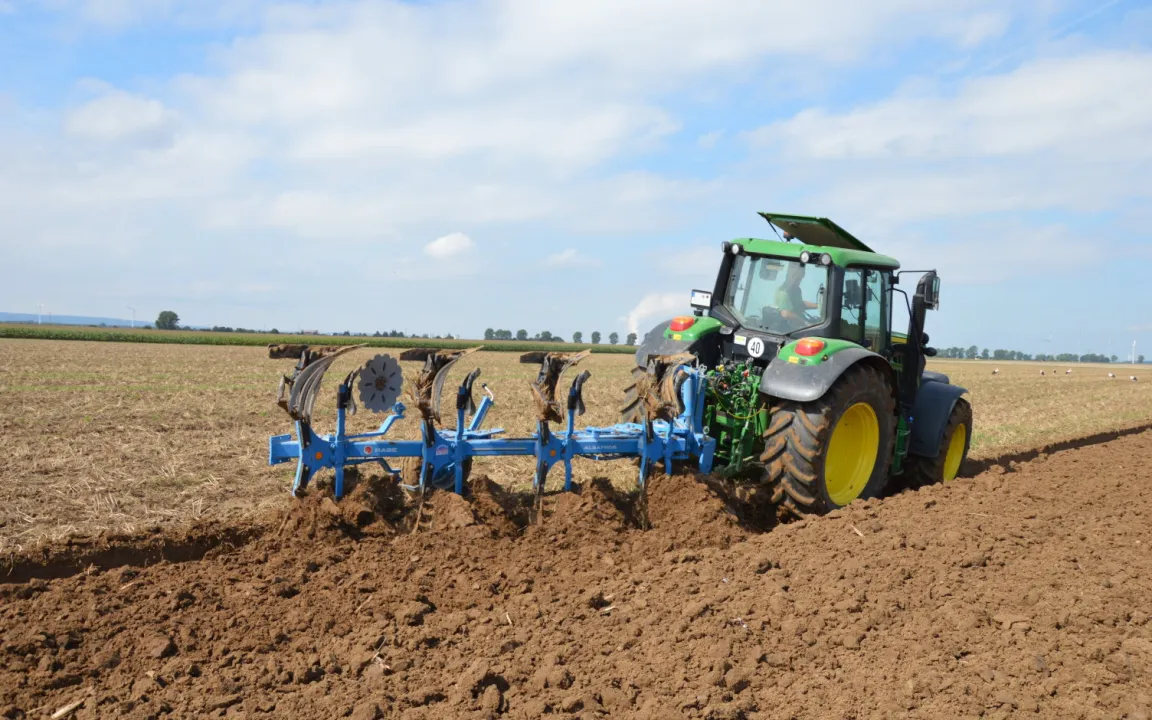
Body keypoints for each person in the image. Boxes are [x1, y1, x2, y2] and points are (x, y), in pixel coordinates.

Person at [775, 262, 818, 327]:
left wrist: (820, 306)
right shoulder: (783, 293)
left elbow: (800, 305)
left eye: (800, 279)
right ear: (790, 274)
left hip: (797, 327)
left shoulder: (797, 290)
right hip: (786, 329)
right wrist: (804, 322)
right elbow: (785, 314)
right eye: (796, 278)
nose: (798, 282)